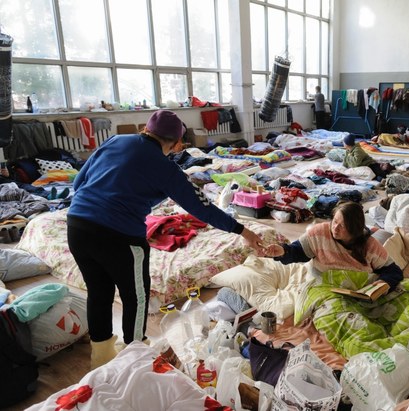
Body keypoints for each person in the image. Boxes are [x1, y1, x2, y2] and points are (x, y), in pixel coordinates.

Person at [67, 109, 264, 369]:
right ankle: (135, 357)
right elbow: (202, 207)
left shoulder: (116, 141)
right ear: (176, 143)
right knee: (135, 297)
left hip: (77, 226)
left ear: (147, 129)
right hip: (119, 236)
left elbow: (79, 182)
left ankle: (101, 357)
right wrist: (243, 231)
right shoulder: (166, 168)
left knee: (99, 292)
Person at [263, 201, 403, 292]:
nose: (335, 228)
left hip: (358, 292)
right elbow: (299, 251)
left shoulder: (369, 245)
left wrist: (378, 288)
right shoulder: (319, 233)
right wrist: (282, 251)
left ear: (354, 229)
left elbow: (393, 271)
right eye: (334, 221)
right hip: (323, 288)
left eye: (342, 226)